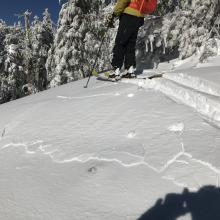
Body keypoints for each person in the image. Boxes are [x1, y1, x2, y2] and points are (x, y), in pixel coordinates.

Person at [106, 0, 145, 79]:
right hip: (139, 17)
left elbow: (123, 1)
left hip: (128, 16)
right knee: (130, 44)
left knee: (120, 42)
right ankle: (129, 70)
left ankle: (115, 70)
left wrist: (114, 14)